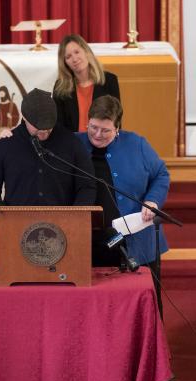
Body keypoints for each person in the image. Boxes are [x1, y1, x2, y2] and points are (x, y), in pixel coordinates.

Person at [76, 95, 169, 271]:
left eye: (105, 130)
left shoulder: (137, 144)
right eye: (93, 127)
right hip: (90, 243)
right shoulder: (73, 143)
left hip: (136, 241)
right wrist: (8, 135)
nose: (97, 135)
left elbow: (161, 174)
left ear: (117, 128)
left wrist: (152, 201)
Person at [0, 88, 96, 207]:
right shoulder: (5, 144)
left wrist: (75, 217)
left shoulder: (71, 142)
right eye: (38, 127)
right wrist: (3, 218)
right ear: (24, 117)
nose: (44, 132)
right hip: (17, 222)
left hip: (63, 222)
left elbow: (87, 186)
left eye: (49, 127)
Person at [53, 34, 120, 133]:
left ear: (86, 52)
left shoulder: (109, 81)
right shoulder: (60, 87)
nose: (75, 59)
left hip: (103, 142)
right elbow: (58, 126)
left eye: (77, 52)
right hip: (73, 144)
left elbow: (116, 120)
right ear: (64, 63)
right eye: (68, 57)